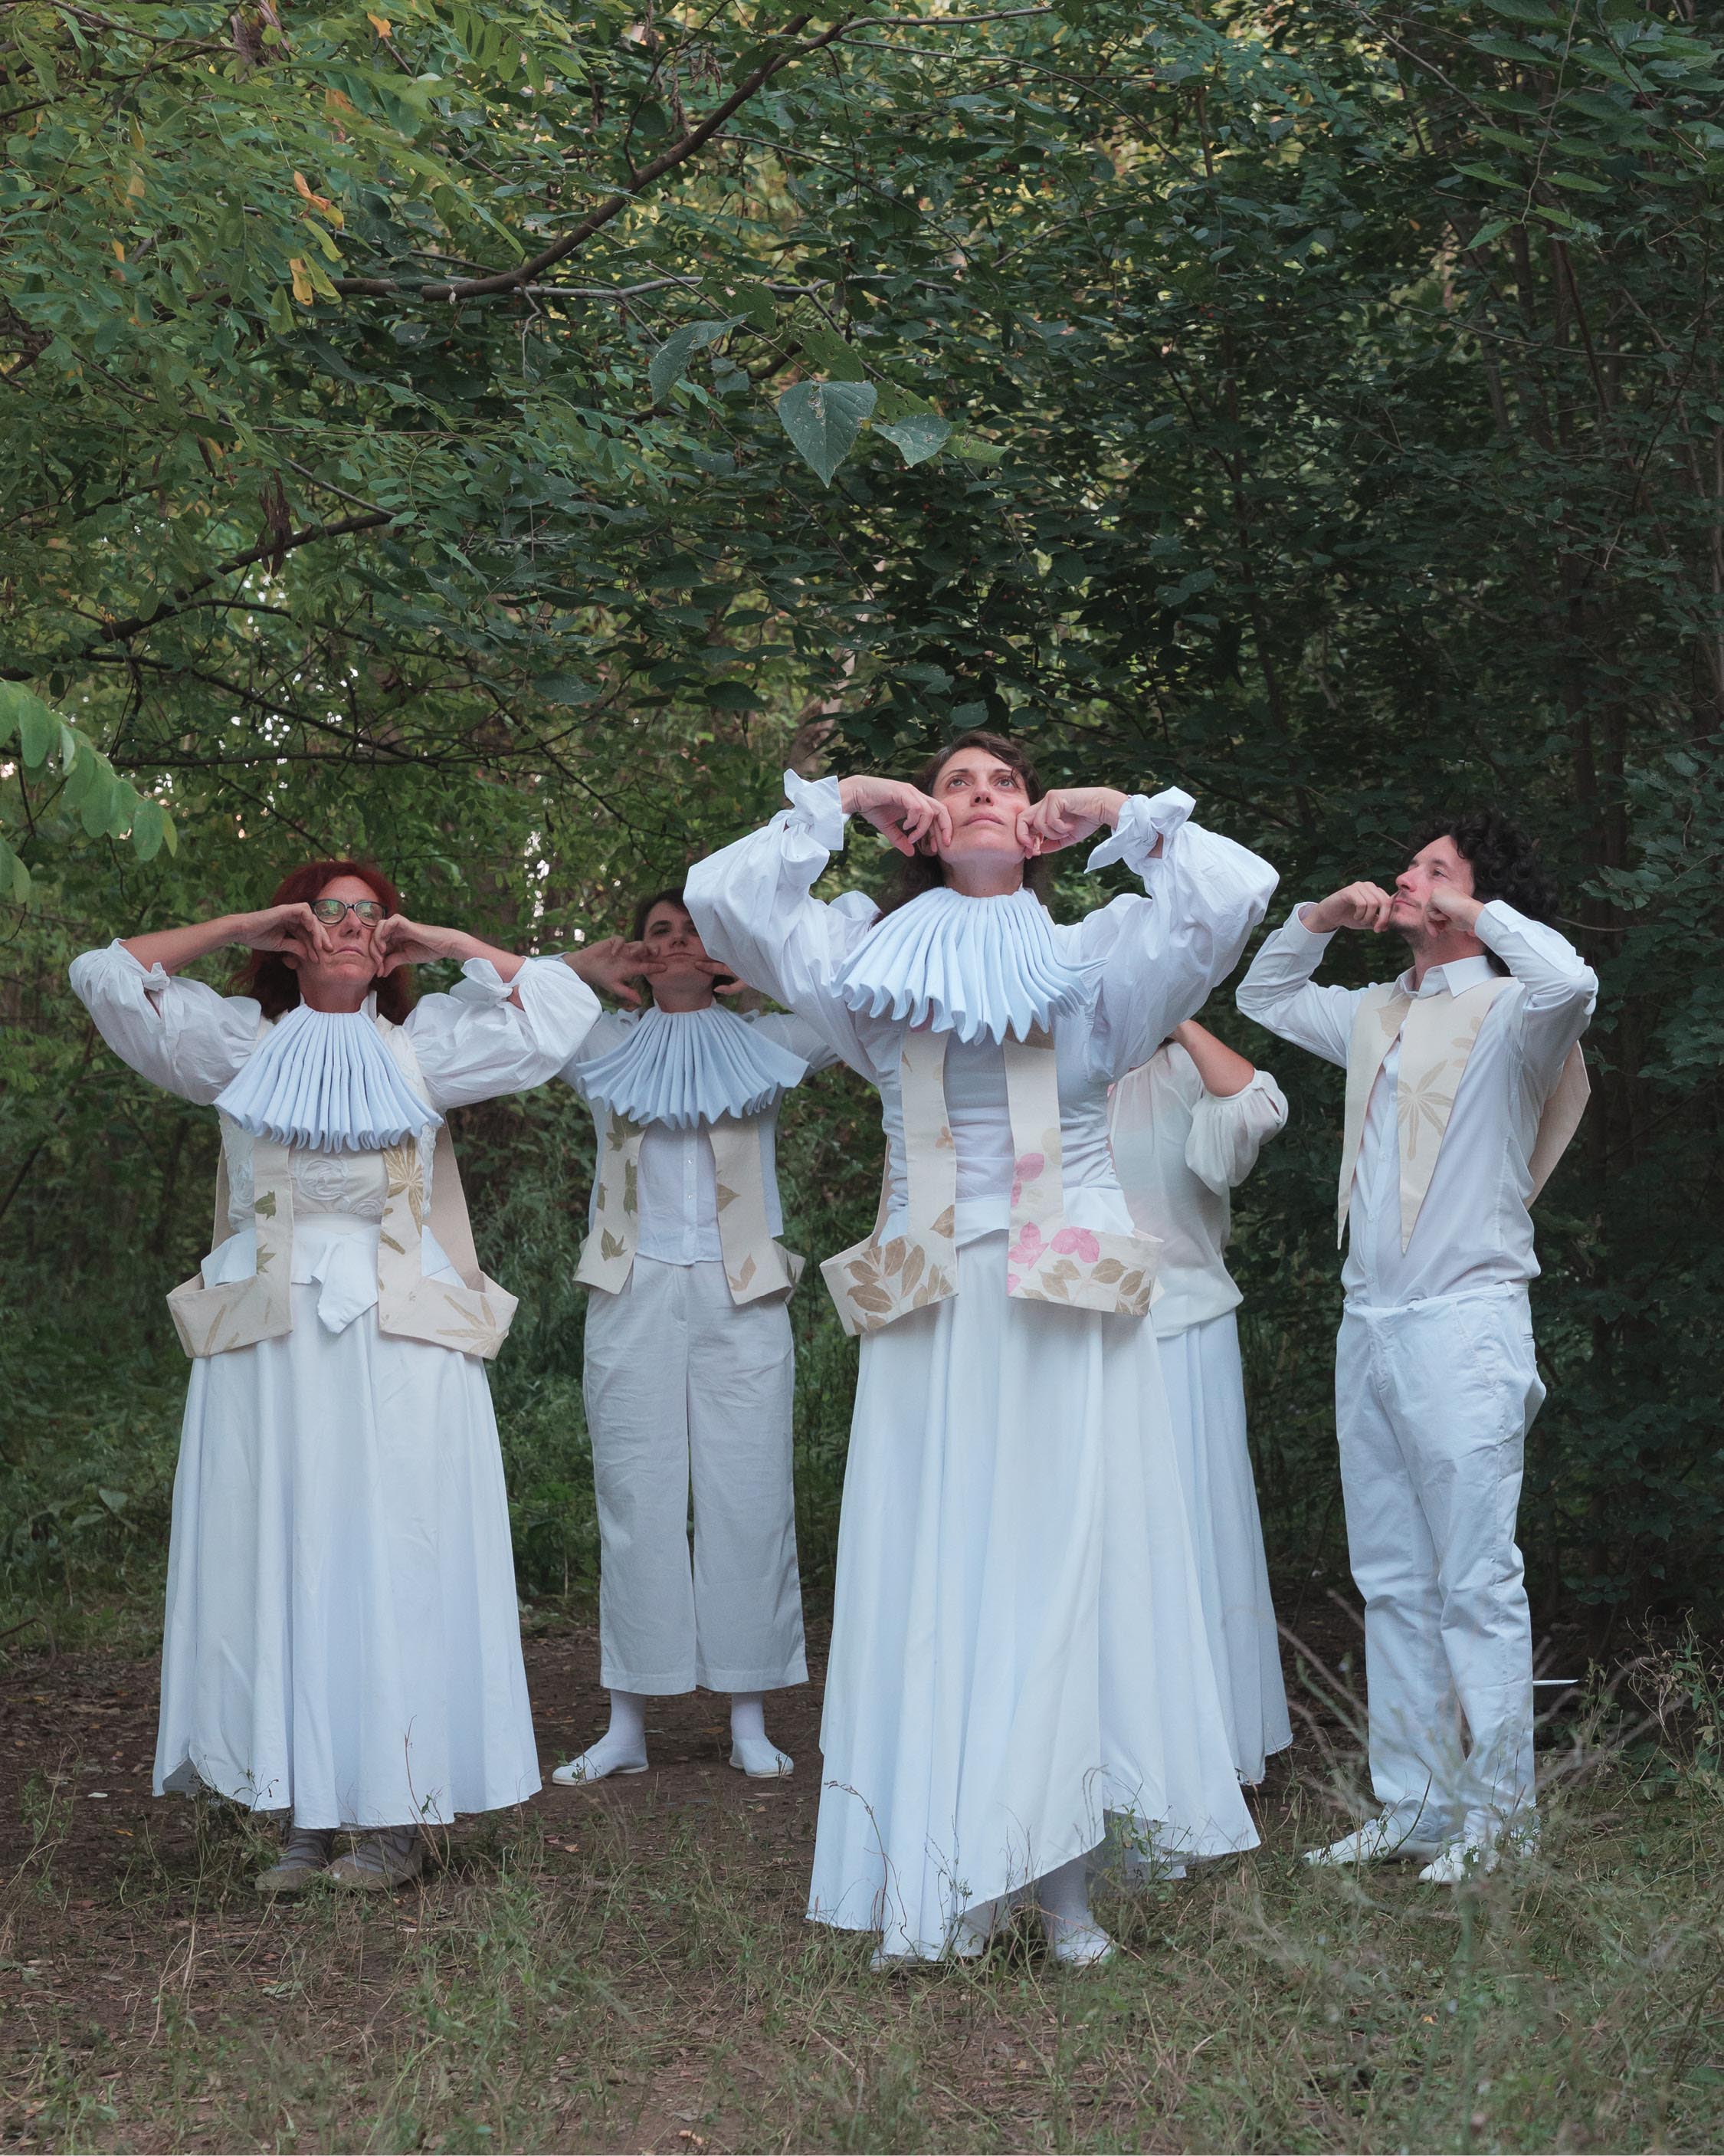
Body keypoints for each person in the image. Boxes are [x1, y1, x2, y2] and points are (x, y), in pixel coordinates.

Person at [686, 732, 1277, 1967]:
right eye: (957, 781)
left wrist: (1111, 806)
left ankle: (1064, 1893)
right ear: (925, 822)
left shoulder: (1094, 958)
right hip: (933, 1301)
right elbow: (722, 899)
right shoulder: (865, 957)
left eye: (1003, 781)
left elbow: (1232, 895)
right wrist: (849, 798)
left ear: (1033, 816)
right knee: (937, 1568)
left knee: (1063, 1569)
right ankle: (934, 1877)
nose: (983, 796)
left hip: (1065, 1298)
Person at [68, 863, 603, 1893]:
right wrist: (240, 923)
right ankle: (304, 1811)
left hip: (402, 1335)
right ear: (292, 932)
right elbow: (104, 975)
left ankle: (397, 1814)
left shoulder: (425, 1045)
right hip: (266, 1336)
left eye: (368, 912)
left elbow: (561, 1010)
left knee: (394, 1552)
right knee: (282, 1550)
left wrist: (444, 942)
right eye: (327, 911)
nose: (349, 925)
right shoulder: (235, 1043)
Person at [1235, 813, 1596, 1884]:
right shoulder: (1373, 1012)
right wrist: (1315, 918)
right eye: (1411, 865)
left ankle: (1502, 1818)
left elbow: (1573, 980)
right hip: (1370, 1324)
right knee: (1391, 1576)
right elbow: (1263, 998)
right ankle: (1416, 1804)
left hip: (1464, 1323)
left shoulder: (1513, 1013)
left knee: (1476, 1577)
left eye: (1433, 870)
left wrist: (1475, 911)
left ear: (1473, 900)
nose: (1406, 877)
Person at [552, 889, 835, 1786]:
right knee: (634, 1492)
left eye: (694, 931)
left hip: (741, 1284)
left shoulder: (771, 1039)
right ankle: (628, 1720)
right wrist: (580, 968)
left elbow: (857, 995)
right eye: (659, 931)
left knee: (748, 1492)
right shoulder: (602, 1042)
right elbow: (507, 1003)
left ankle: (748, 1713)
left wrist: (768, 968)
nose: (676, 942)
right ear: (639, 953)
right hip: (628, 1281)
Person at [1107, 1019, 1293, 1787]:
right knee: (1114, 1542)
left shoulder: (1182, 1070)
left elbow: (1256, 1108)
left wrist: (1179, 1016)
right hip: (1082, 1333)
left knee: (1193, 1534)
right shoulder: (1051, 1077)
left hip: (1184, 1326)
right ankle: (1121, 1757)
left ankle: (1210, 1751)